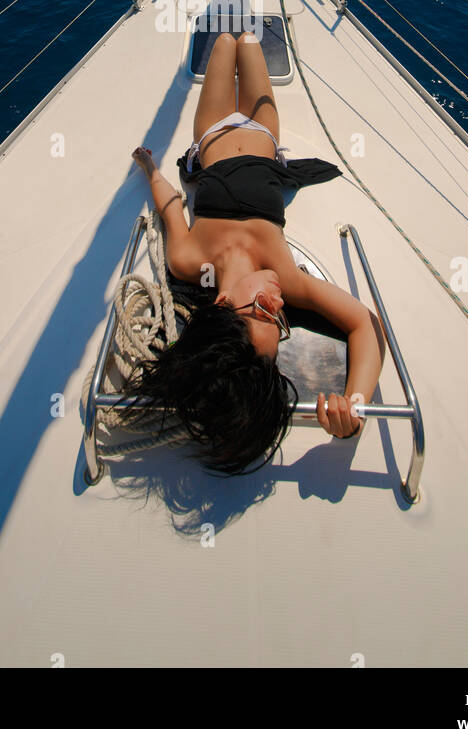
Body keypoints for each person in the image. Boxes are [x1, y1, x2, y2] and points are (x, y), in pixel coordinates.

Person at [122, 30, 385, 475]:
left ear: (222, 304)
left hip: (212, 133)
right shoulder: (284, 275)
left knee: (223, 40)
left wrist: (150, 169)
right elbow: (365, 324)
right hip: (264, 136)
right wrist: (354, 408)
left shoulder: (189, 263)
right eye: (280, 321)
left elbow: (171, 209)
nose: (279, 305)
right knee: (248, 39)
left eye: (262, 310)